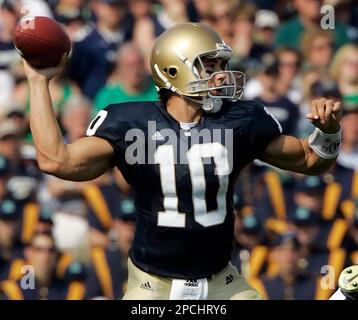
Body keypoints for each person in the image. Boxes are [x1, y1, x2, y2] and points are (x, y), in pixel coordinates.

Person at [22, 23, 342, 300]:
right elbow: (56, 161)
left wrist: (328, 131)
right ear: (174, 70)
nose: (220, 76)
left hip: (223, 282)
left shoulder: (240, 120)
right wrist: (38, 82)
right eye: (210, 66)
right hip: (152, 284)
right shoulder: (132, 123)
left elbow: (311, 160)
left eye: (220, 65)